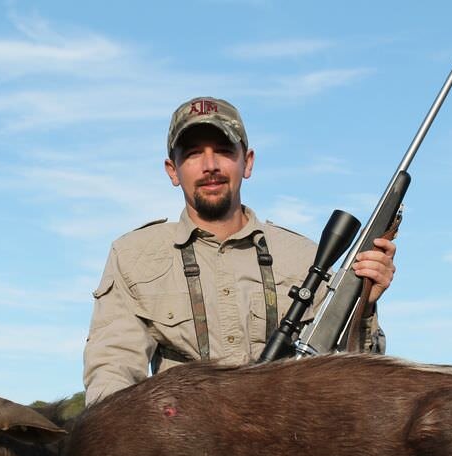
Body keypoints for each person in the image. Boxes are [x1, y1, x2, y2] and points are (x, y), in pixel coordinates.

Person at [83, 97, 396, 404]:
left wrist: (364, 306)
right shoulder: (133, 256)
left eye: (223, 151)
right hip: (182, 446)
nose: (210, 166)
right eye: (193, 154)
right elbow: (112, 372)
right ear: (172, 170)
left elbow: (354, 375)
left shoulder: (305, 258)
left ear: (247, 162)